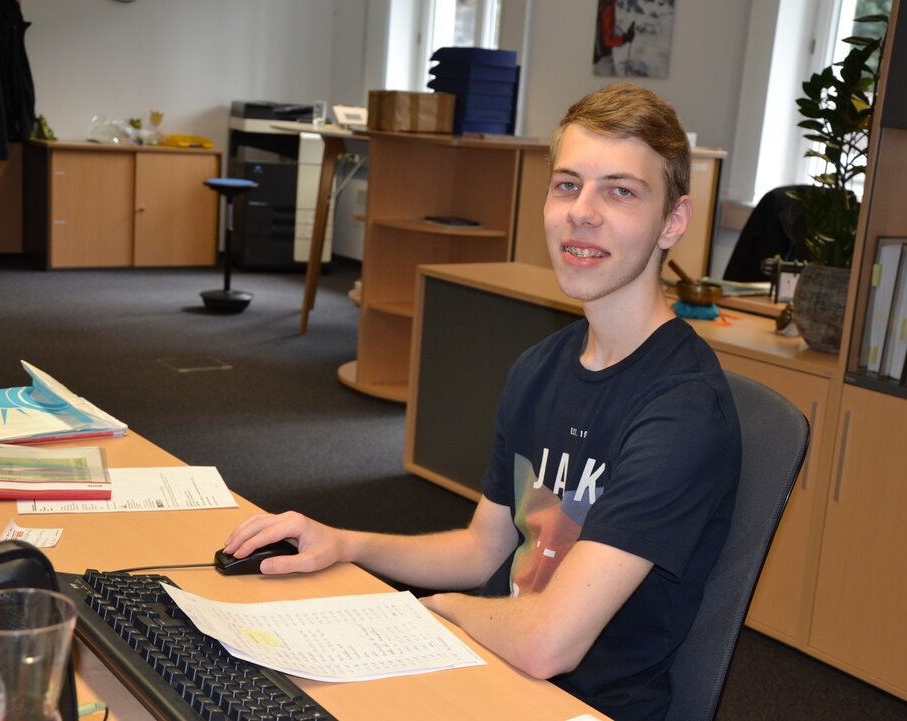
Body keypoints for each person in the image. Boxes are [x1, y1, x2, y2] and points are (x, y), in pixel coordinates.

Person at [224, 83, 742, 721]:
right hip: (493, 666)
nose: (583, 212)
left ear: (674, 221)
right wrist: (346, 543)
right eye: (567, 184)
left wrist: (433, 611)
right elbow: (482, 550)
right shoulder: (541, 367)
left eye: (621, 190)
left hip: (579, 703)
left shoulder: (681, 412)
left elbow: (550, 642)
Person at [593, 0, 636, 76]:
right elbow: (608, 40)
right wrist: (626, 38)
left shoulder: (600, 4)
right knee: (614, 87)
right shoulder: (609, 8)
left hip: (595, 58)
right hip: (603, 58)